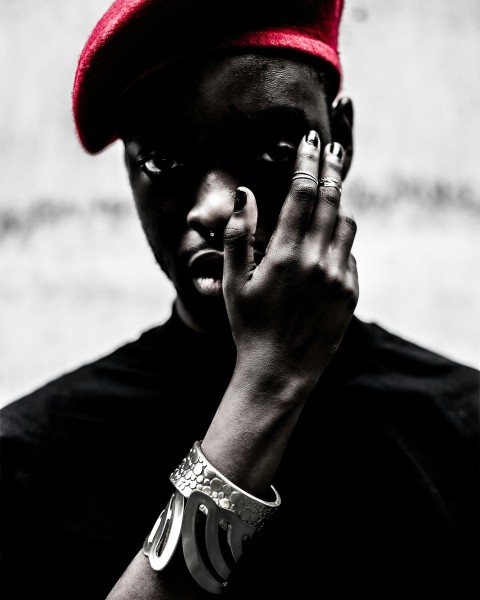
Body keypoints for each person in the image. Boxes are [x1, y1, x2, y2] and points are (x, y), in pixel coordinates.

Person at [1, 1, 479, 598]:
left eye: (274, 150)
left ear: (341, 140)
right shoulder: (26, 463)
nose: (214, 207)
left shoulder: (465, 430)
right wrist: (266, 386)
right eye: (164, 159)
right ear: (128, 169)